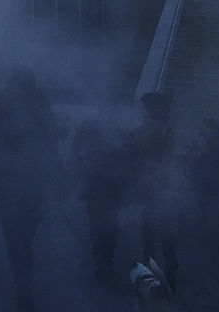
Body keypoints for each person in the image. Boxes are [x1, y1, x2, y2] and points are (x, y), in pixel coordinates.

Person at [0, 69, 61, 312]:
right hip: (33, 193)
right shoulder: (42, 114)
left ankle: (27, 308)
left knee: (17, 251)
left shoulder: (15, 116)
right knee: (23, 250)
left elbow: (2, 152)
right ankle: (24, 305)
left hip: (17, 193)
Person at [126, 92, 178, 294]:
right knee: (167, 239)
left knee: (150, 239)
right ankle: (170, 281)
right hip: (166, 190)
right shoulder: (168, 130)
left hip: (153, 190)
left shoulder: (148, 131)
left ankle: (152, 282)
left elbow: (136, 153)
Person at [69, 118, 131, 282]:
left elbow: (75, 148)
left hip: (108, 183)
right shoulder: (93, 124)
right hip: (100, 182)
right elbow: (76, 148)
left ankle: (103, 262)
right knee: (103, 224)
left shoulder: (119, 125)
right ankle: (102, 262)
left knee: (105, 224)